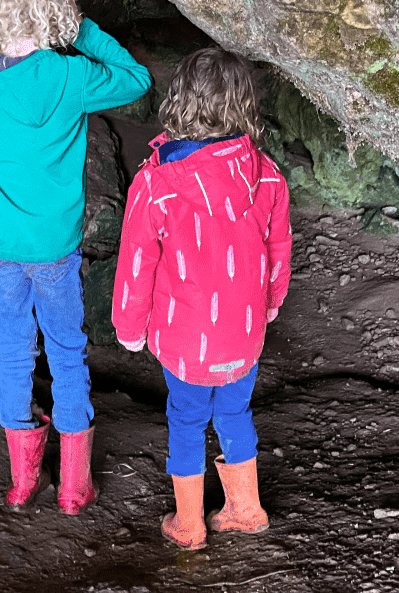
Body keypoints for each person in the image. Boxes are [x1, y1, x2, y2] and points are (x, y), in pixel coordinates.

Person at [0, 0, 150, 515]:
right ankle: (75, 490)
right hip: (54, 245)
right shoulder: (70, 76)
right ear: (52, 8)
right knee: (66, 352)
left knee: (13, 350)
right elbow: (137, 79)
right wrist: (80, 30)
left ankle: (22, 483)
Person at [110, 48, 292, 549]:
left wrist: (129, 327)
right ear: (243, 107)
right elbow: (279, 248)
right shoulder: (268, 175)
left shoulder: (157, 184)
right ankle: (246, 509)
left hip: (184, 336)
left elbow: (136, 262)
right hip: (244, 331)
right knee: (235, 412)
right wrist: (271, 302)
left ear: (179, 102)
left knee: (187, 419)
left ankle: (189, 525)